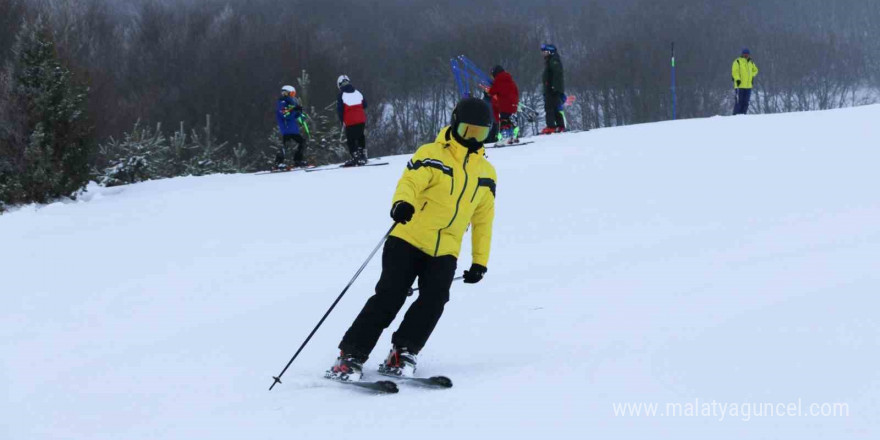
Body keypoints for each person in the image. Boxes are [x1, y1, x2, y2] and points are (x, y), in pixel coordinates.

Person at [326, 98, 498, 381]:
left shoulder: (486, 174)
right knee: (390, 296)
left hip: (446, 250)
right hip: (407, 238)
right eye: (468, 130)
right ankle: (350, 355)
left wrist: (480, 261)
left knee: (435, 300)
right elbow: (410, 182)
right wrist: (402, 203)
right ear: (455, 124)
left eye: (479, 134)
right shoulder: (431, 154)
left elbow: (483, 220)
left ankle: (403, 351)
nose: (472, 138)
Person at [336, 75, 368, 166]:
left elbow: (340, 110)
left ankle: (355, 157)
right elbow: (365, 104)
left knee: (351, 139)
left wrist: (342, 121)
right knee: (361, 136)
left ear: (339, 85)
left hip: (350, 121)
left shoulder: (341, 95)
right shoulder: (358, 92)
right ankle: (362, 155)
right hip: (361, 119)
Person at [485, 65, 520, 144]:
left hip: (505, 105)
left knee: (504, 121)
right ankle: (514, 136)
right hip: (514, 104)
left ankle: (504, 138)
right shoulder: (510, 79)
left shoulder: (498, 80)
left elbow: (492, 92)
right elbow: (516, 91)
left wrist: (488, 91)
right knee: (512, 120)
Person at [275, 85, 308, 169]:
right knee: (286, 145)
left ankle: (298, 160)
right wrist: (294, 110)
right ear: (286, 93)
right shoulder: (282, 103)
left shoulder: (291, 103)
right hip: (286, 128)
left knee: (302, 142)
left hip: (293, 128)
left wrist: (300, 113)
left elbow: (294, 115)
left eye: (294, 94)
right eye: (292, 94)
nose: (293, 96)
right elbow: (285, 115)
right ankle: (278, 163)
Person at [540, 43, 566, 134]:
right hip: (551, 88)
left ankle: (551, 126)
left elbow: (557, 74)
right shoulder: (550, 60)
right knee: (555, 107)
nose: (543, 54)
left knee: (549, 107)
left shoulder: (554, 60)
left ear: (550, 52)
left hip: (552, 89)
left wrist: (554, 87)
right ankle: (560, 125)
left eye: (545, 52)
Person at [732, 48, 759, 115]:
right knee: (739, 102)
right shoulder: (737, 61)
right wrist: (737, 79)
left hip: (748, 86)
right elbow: (735, 72)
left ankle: (743, 115)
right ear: (742, 54)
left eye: (747, 54)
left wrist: (751, 76)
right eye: (745, 54)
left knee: (746, 102)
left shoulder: (751, 62)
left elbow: (756, 70)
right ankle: (735, 116)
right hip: (739, 86)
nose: (746, 55)